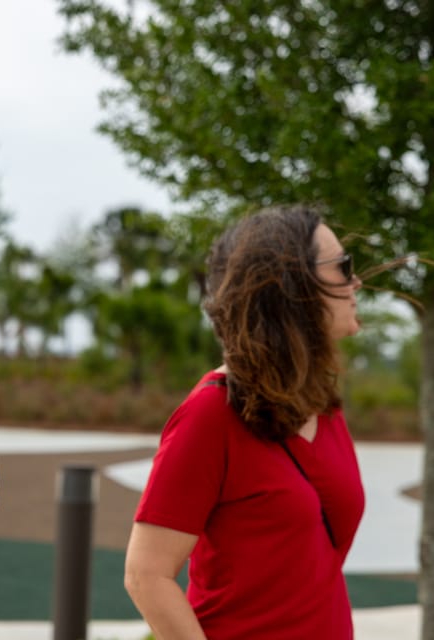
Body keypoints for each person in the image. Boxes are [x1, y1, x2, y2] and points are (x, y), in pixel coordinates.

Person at [124, 204, 366, 639]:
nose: (356, 282)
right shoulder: (210, 415)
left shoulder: (324, 406)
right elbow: (146, 575)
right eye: (342, 267)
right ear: (293, 289)